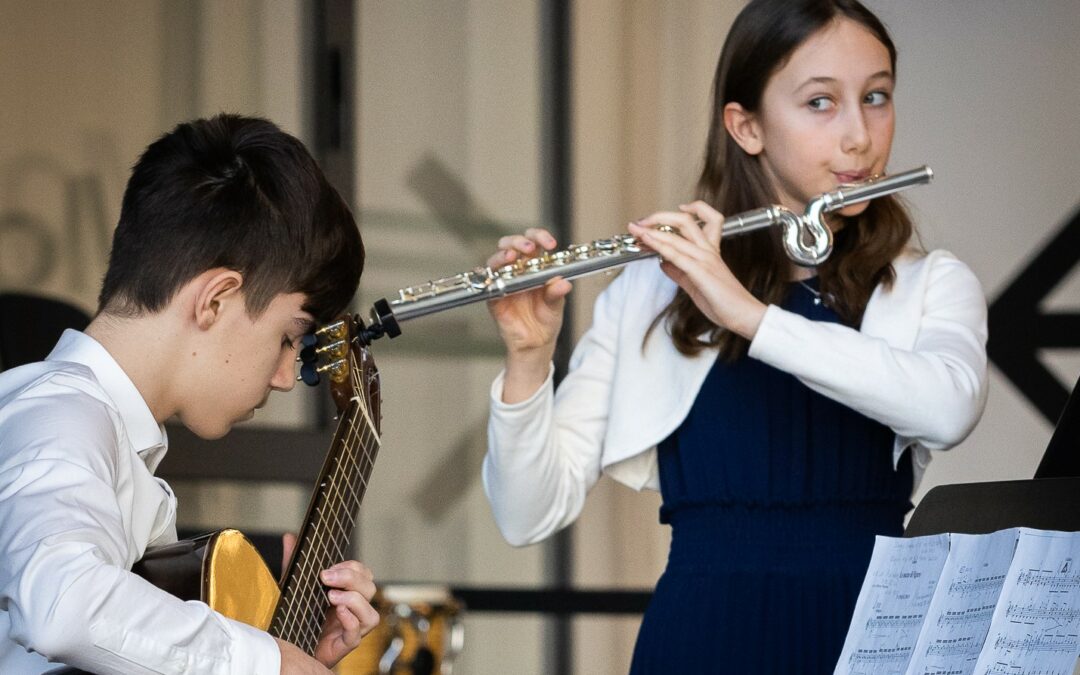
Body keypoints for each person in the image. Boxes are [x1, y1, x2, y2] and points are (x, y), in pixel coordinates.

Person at [481, 0, 988, 672]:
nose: (860, 136)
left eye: (876, 97)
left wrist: (748, 314)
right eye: (820, 103)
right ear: (746, 126)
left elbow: (948, 408)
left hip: (870, 638)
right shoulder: (652, 291)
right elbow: (527, 515)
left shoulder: (930, 284)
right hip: (700, 637)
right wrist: (529, 356)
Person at [0, 114, 379, 674]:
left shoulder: (117, 447)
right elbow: (62, 605)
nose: (282, 375)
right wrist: (265, 662)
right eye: (287, 337)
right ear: (216, 299)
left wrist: (296, 651)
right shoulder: (61, 416)